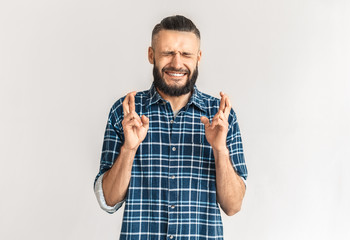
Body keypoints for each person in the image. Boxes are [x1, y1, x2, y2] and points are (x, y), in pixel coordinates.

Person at [94, 15, 248, 240]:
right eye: (168, 53)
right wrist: (129, 148)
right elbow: (109, 199)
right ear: (151, 55)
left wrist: (219, 150)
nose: (177, 63)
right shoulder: (126, 111)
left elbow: (233, 206)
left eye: (186, 54)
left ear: (198, 58)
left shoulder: (221, 116)